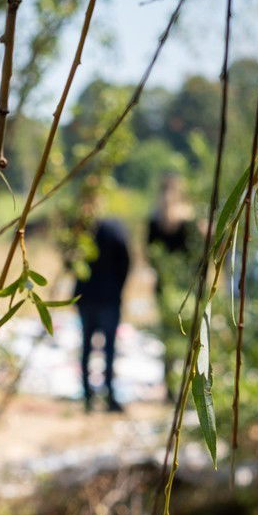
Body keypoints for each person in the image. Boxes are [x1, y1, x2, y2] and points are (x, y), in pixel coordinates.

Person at [72, 183, 132, 414]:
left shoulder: (79, 232)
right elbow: (125, 262)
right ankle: (106, 395)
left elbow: (71, 264)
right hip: (106, 297)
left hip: (88, 297)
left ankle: (89, 395)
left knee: (88, 345)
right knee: (106, 348)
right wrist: (118, 287)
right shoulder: (114, 229)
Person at [144, 173, 198, 401]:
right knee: (190, 338)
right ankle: (188, 385)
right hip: (188, 287)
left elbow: (149, 256)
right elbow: (198, 255)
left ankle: (169, 387)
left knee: (168, 339)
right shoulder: (189, 221)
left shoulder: (154, 220)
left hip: (164, 287)